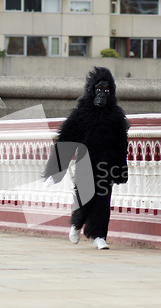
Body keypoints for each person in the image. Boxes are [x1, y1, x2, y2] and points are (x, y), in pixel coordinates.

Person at [43, 67, 129, 249]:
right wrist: (55, 172)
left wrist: (121, 170)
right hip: (85, 163)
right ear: (92, 90)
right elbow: (66, 140)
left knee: (103, 201)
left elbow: (122, 144)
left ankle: (99, 237)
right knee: (84, 197)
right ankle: (76, 224)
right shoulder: (82, 113)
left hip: (107, 165)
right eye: (99, 89)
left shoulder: (116, 116)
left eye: (106, 90)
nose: (103, 94)